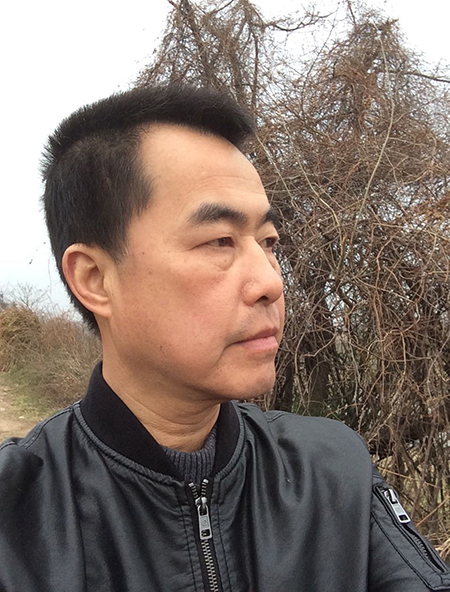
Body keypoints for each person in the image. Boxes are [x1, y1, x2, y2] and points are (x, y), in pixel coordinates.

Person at [0, 85, 448, 592]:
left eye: (268, 242)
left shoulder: (332, 469)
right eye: (219, 241)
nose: (271, 282)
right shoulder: (18, 516)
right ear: (96, 279)